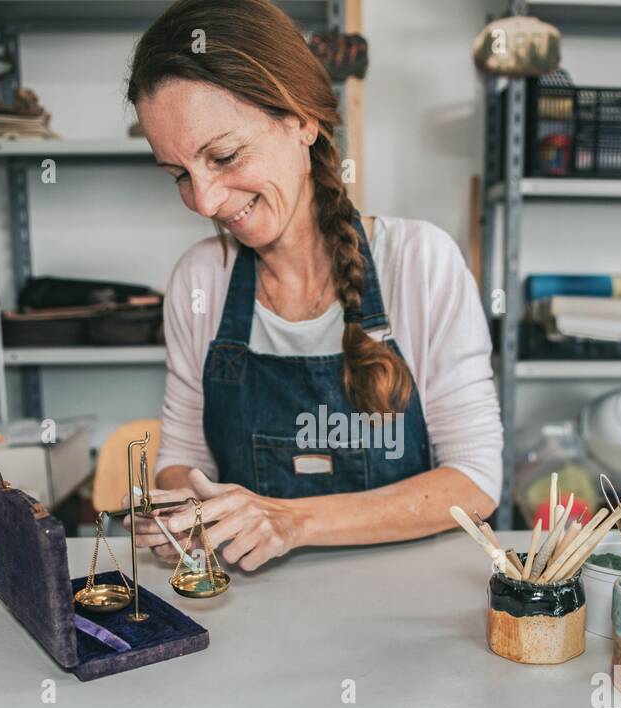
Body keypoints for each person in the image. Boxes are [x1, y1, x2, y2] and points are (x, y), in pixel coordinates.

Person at [125, 0, 501, 571]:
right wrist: (180, 510)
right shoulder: (200, 280)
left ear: (302, 120)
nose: (203, 201)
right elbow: (183, 457)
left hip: (408, 604)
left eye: (223, 156)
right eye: (179, 173)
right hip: (255, 606)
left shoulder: (421, 262)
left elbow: (474, 482)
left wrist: (293, 522)